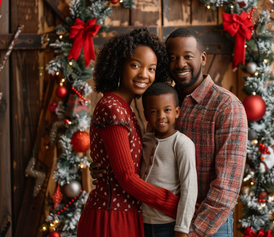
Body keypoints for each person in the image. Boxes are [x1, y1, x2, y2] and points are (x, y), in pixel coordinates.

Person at [91, 27, 248, 237]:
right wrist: (108, 168)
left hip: (208, 225)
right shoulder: (162, 102)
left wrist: (190, 229)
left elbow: (226, 187)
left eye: (187, 56)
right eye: (173, 58)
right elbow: (144, 161)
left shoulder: (227, 106)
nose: (180, 64)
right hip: (158, 222)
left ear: (202, 58)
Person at [77, 28, 181, 237]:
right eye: (136, 65)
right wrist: (178, 205)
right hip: (111, 218)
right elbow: (126, 177)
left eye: (151, 69)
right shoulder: (113, 107)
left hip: (127, 214)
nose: (144, 74)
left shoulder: (128, 108)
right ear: (118, 66)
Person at [141, 82, 198, 237]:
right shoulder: (144, 141)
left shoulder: (182, 144)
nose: (161, 116)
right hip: (140, 223)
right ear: (146, 115)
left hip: (168, 225)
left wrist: (181, 229)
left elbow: (189, 189)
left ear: (177, 112)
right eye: (154, 111)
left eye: (167, 110)